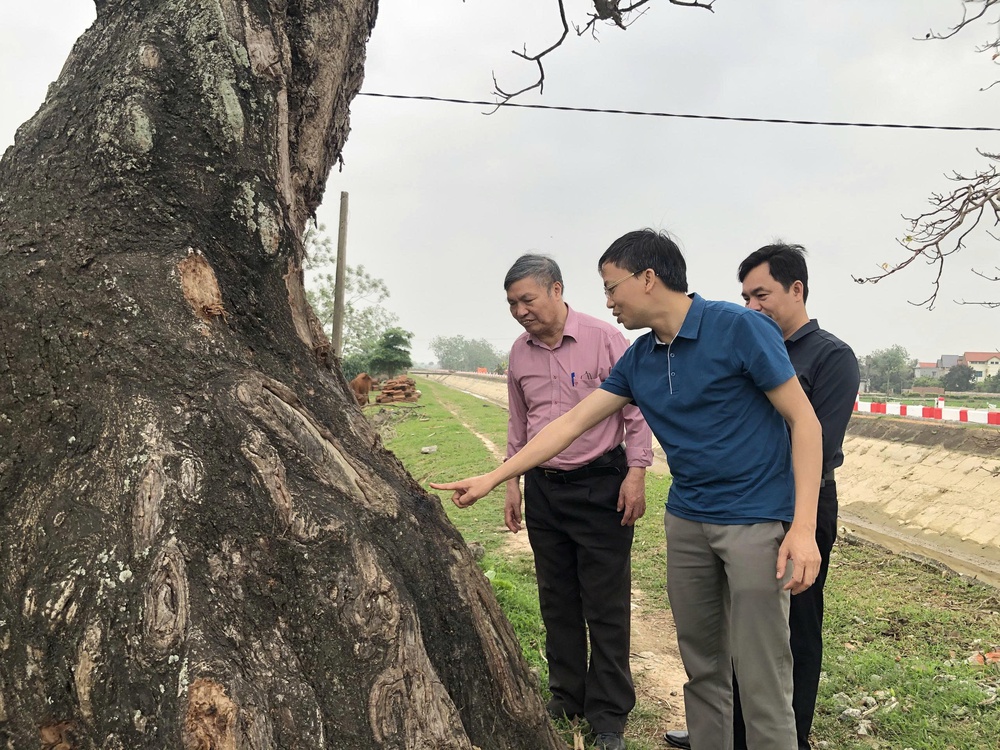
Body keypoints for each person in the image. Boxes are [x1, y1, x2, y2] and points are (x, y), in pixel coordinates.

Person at [432, 229, 823, 750]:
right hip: (687, 520)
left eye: (612, 287)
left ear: (648, 278)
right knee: (702, 666)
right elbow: (567, 425)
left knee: (761, 673)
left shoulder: (739, 327)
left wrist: (802, 528)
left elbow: (805, 422)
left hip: (753, 519)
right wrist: (495, 477)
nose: (609, 301)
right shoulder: (639, 359)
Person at [663, 243, 860, 750]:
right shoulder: (742, 341)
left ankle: (790, 734)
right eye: (745, 296)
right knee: (731, 626)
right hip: (741, 508)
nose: (753, 306)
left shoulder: (830, 357)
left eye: (762, 294)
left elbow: (818, 437)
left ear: (797, 289)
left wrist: (800, 524)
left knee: (794, 626)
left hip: (801, 503)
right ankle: (726, 729)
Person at [501, 254, 653, 750]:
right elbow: (518, 426)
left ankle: (608, 713)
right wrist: (511, 484)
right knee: (557, 599)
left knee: (605, 603)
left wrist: (636, 472)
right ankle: (567, 696)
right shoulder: (518, 354)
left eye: (527, 299)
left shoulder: (604, 338)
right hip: (545, 489)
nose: (520, 310)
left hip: (601, 486)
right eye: (512, 303)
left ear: (557, 290)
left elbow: (635, 411)